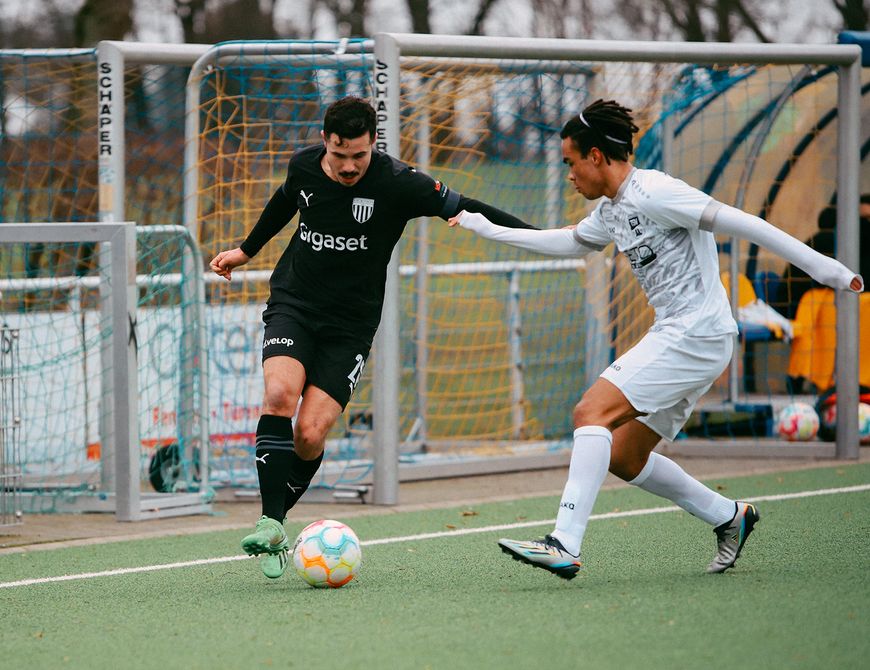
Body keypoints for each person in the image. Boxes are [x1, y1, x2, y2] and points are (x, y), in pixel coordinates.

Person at [449, 99, 863, 580]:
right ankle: (730, 517)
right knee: (624, 455)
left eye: (570, 162)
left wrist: (826, 269)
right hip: (688, 337)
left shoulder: (657, 191)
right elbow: (565, 241)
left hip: (696, 333)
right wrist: (488, 228)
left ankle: (563, 542)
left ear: (597, 157)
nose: (569, 174)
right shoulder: (611, 210)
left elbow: (745, 223)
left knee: (590, 413)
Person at [209, 96, 534, 579]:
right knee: (279, 394)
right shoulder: (303, 167)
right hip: (294, 303)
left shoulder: (399, 182)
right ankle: (271, 521)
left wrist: (543, 237)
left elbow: (466, 207)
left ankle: (278, 516)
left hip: (352, 325)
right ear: (325, 142)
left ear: (373, 144)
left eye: (359, 156)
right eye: (339, 155)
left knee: (310, 433)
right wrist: (246, 250)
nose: (348, 166)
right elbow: (284, 201)